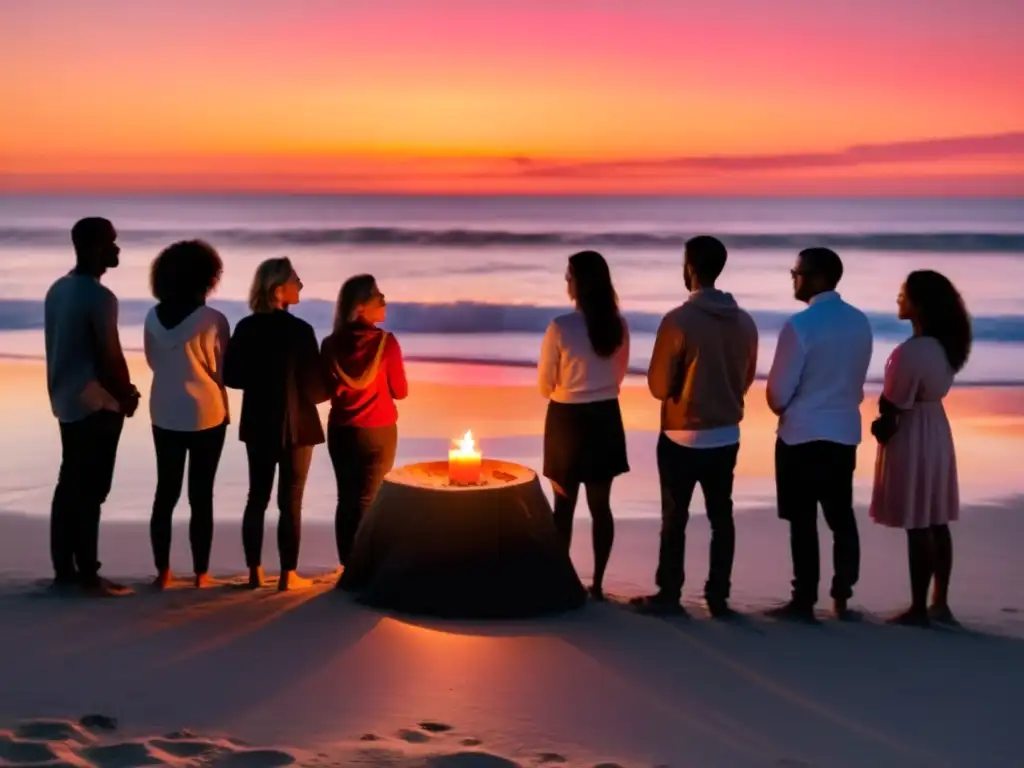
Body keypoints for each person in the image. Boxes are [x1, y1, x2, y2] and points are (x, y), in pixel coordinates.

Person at [631, 236, 758, 617]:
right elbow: (747, 377)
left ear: (689, 268)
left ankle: (669, 593)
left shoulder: (678, 320)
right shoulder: (745, 321)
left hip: (681, 434)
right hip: (726, 433)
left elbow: (657, 386)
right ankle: (718, 596)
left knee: (675, 518)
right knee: (722, 516)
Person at [766, 247, 873, 621]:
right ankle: (842, 595)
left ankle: (804, 599)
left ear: (815, 277)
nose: (792, 279)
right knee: (840, 517)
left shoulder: (800, 326)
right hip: (843, 431)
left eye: (795, 272)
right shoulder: (860, 322)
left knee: (803, 520)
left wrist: (784, 406)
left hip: (802, 432)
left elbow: (778, 393)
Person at [44, 217, 140, 596]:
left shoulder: (59, 289)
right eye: (111, 243)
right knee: (92, 490)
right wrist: (127, 394)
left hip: (65, 399)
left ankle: (64, 570)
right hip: (96, 402)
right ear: (93, 247)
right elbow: (109, 355)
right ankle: (88, 573)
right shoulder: (99, 297)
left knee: (69, 484)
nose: (117, 250)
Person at [869, 271, 971, 627]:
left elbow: (895, 404)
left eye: (903, 294)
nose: (898, 299)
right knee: (936, 518)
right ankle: (939, 602)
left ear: (919, 304)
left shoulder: (910, 352)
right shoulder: (945, 347)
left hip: (913, 431)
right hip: (937, 428)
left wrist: (880, 423)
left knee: (917, 520)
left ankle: (917, 608)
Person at [224, 257, 328, 591]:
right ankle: (288, 575)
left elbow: (233, 377)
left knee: (257, 497)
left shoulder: (246, 328)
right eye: (296, 280)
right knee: (291, 501)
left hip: (258, 422)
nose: (300, 285)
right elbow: (315, 389)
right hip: (298, 425)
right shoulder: (300, 331)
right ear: (278, 288)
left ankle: (255, 572)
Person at [538, 250, 630, 600]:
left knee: (563, 507)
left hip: (567, 420)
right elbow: (618, 376)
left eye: (569, 275)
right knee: (600, 506)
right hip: (605, 416)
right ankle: (599, 585)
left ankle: (561, 582)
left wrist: (569, 386)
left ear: (581, 282)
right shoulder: (617, 325)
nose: (566, 281)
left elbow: (545, 383)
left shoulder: (561, 326)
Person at [144, 240, 231, 590]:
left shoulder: (152, 316)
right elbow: (222, 371)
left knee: (165, 491)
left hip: (163, 406)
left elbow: (154, 362)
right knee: (201, 494)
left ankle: (163, 573)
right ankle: (201, 574)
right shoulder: (213, 319)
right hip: (205, 411)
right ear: (206, 278)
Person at [320, 275, 408, 571]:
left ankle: (348, 563)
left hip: (341, 430)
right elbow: (401, 391)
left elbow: (323, 390)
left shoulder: (330, 344)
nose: (384, 300)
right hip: (378, 430)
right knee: (369, 499)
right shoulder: (386, 342)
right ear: (359, 308)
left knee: (346, 497)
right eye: (378, 296)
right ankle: (364, 567)